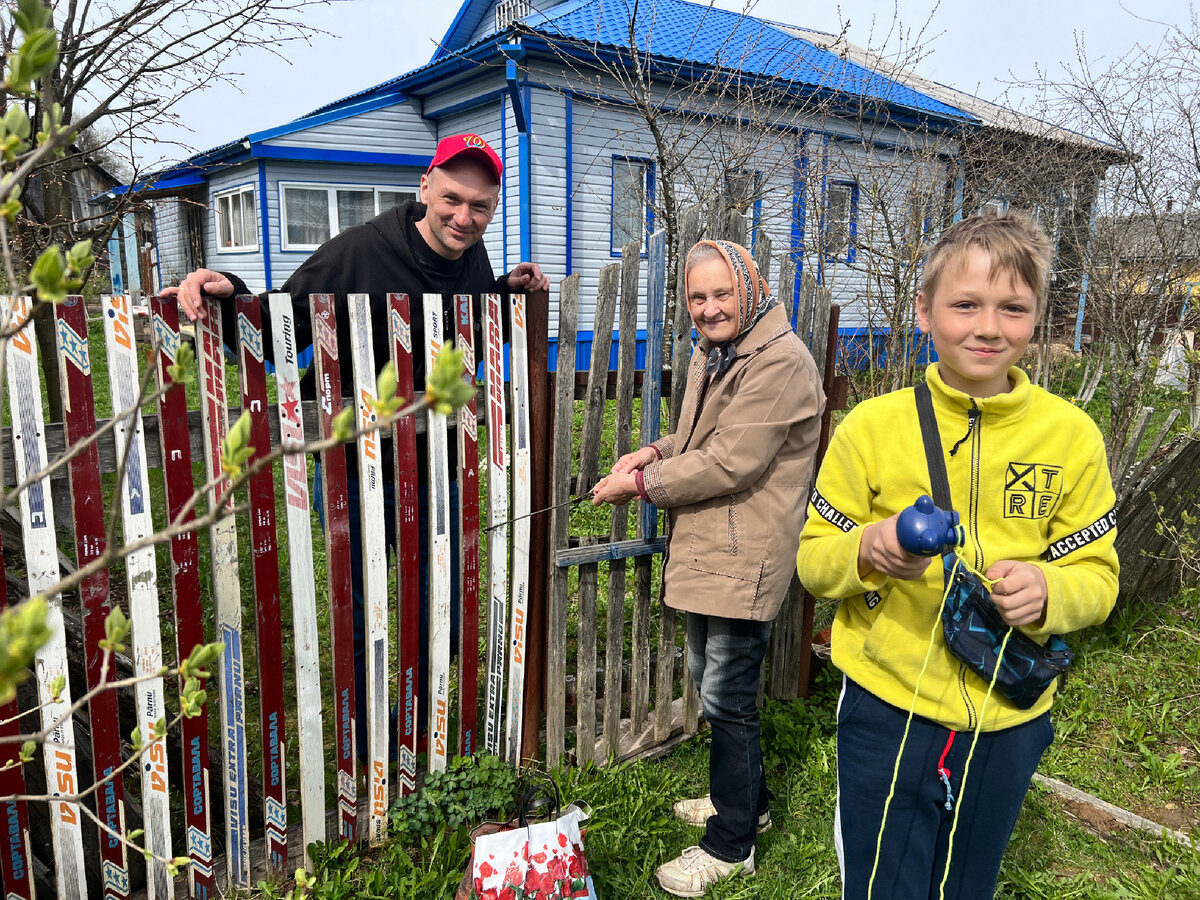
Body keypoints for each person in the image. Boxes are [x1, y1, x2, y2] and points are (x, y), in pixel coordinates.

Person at [163, 133, 548, 758]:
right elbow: (275, 319)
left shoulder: (472, 260)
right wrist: (227, 287)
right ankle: (366, 738)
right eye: (452, 199)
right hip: (355, 467)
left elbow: (462, 326)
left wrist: (502, 291)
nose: (464, 216)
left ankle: (427, 727)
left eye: (481, 207)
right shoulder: (358, 253)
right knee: (364, 609)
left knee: (437, 599)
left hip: (437, 465)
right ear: (425, 186)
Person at [795, 212, 1119, 899]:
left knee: (968, 883)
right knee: (883, 880)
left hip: (1009, 715)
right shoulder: (870, 429)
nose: (988, 327)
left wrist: (1049, 590)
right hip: (887, 706)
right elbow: (814, 563)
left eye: (1013, 308)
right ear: (924, 310)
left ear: (1036, 318)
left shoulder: (1072, 438)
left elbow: (1098, 577)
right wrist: (872, 548)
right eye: (965, 304)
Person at [591, 239, 823, 897]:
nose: (710, 307)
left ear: (747, 290)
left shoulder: (778, 362)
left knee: (727, 694)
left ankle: (730, 846)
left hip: (744, 548)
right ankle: (750, 804)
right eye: (698, 297)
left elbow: (731, 463)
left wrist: (640, 486)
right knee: (714, 682)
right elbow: (703, 440)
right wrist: (653, 450)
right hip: (714, 544)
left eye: (722, 293)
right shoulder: (722, 353)